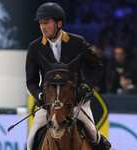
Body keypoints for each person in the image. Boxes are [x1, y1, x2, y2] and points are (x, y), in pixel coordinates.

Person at [26, 2, 111, 150]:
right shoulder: (34, 47)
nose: (43, 27)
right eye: (40, 23)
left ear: (59, 23)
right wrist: (40, 95)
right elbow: (31, 81)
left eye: (46, 23)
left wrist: (85, 87)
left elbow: (97, 67)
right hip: (49, 104)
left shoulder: (77, 42)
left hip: (77, 103)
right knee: (31, 139)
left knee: (93, 133)